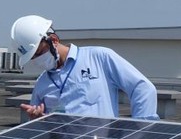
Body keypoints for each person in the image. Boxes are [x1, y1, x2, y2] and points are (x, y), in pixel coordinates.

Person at [11, 15, 159, 120]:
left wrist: (141, 130)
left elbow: (142, 88)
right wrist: (36, 120)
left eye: (38, 53)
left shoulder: (99, 58)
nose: (36, 61)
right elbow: (39, 133)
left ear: (54, 40)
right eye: (32, 58)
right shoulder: (42, 84)